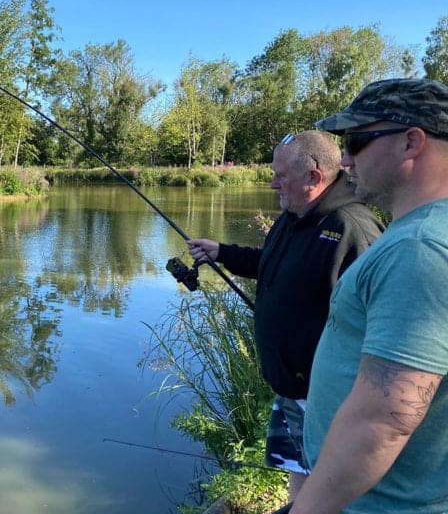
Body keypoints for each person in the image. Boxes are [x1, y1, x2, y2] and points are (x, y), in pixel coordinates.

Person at [187, 130, 383, 501]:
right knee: (299, 476)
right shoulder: (294, 215)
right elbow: (275, 265)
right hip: (293, 390)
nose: (272, 182)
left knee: (332, 493)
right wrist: (222, 252)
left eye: (281, 175)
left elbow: (379, 323)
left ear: (314, 176)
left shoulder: (351, 230)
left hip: (327, 398)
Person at [289, 78, 448, 514]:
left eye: (357, 140)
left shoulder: (418, 250)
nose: (344, 158)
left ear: (411, 142)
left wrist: (307, 509)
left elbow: (385, 420)